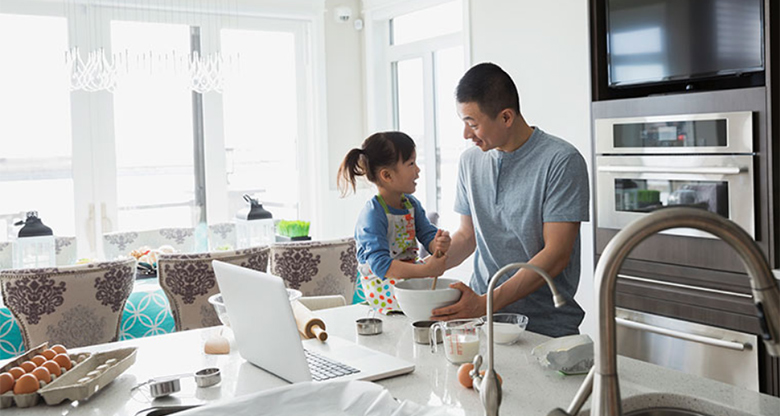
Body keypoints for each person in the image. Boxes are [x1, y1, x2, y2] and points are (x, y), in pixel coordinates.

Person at [432, 63, 590, 337]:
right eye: (463, 122)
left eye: (472, 124)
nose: (466, 135)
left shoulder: (562, 161)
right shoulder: (469, 161)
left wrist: (486, 303)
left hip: (543, 326)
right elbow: (468, 237)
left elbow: (556, 254)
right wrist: (423, 270)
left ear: (506, 117)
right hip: (482, 323)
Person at [338, 131, 451, 314]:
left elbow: (427, 235)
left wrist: (438, 243)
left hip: (406, 281)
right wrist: (425, 270)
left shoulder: (411, 204)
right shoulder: (373, 214)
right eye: (411, 164)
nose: (418, 170)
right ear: (387, 176)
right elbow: (381, 266)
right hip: (382, 290)